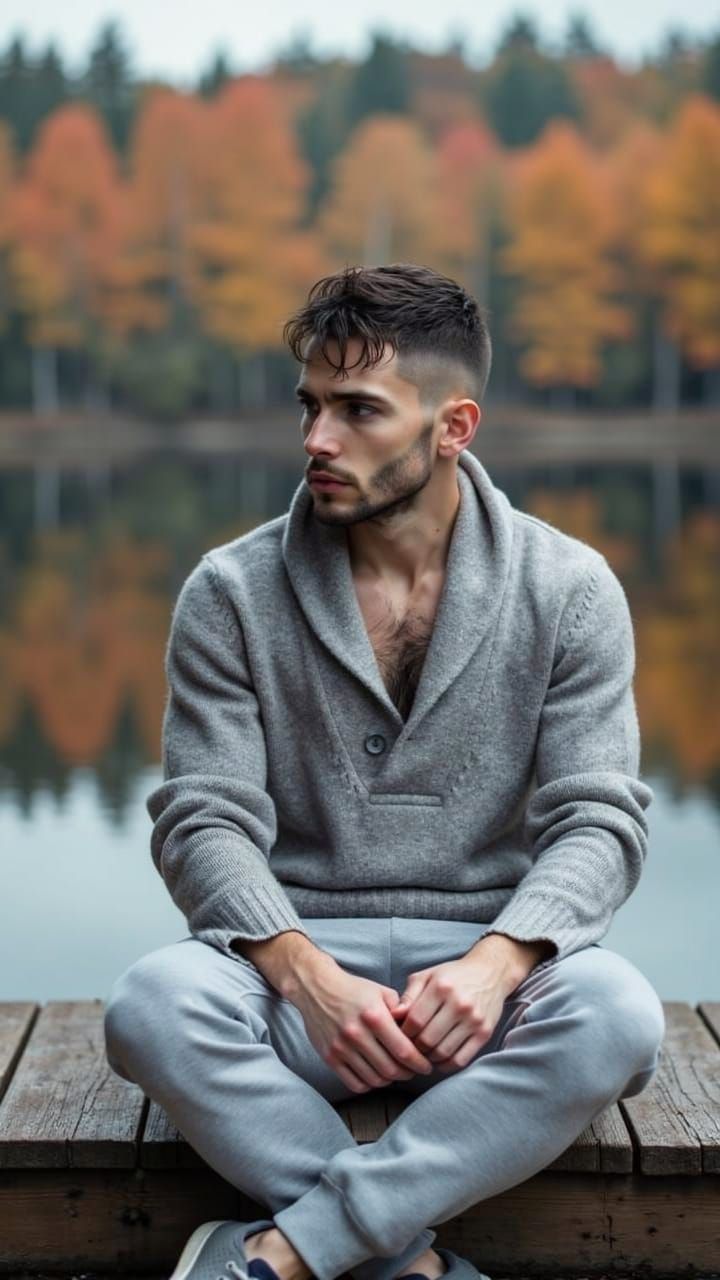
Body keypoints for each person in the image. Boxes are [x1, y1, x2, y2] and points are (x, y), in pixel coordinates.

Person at [103, 263, 666, 1280]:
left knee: (618, 1013)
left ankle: (284, 1251)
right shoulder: (229, 590)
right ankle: (403, 1264)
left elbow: (599, 821)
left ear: (454, 427)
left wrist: (498, 963)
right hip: (294, 968)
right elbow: (205, 820)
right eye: (310, 406)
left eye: (358, 410)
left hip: (484, 983)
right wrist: (304, 974)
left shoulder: (571, 588)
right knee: (151, 1002)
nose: (317, 439)